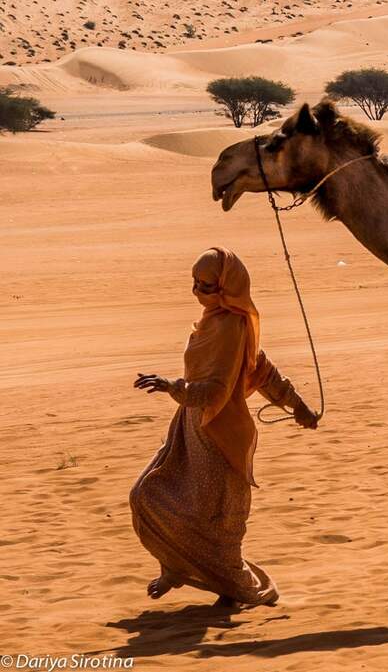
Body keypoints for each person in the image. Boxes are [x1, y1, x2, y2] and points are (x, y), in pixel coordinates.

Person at [129, 246, 319, 609]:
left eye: (204, 286)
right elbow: (260, 369)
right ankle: (177, 567)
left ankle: (235, 590)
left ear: (225, 289)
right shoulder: (213, 321)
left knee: (218, 521)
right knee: (148, 495)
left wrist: (174, 387)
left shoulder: (233, 325)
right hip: (190, 429)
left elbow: (239, 380)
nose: (196, 293)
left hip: (220, 433)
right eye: (194, 284)